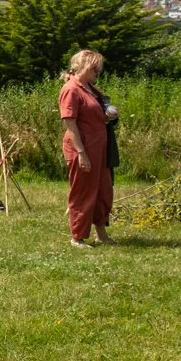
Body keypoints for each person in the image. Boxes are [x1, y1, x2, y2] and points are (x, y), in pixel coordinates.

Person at [59, 49, 116, 247]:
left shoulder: (90, 88)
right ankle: (77, 236)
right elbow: (70, 123)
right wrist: (81, 153)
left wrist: (107, 116)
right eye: (94, 68)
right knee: (83, 192)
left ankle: (101, 233)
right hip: (82, 147)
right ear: (83, 67)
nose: (97, 73)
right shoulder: (71, 89)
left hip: (99, 147)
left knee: (103, 190)